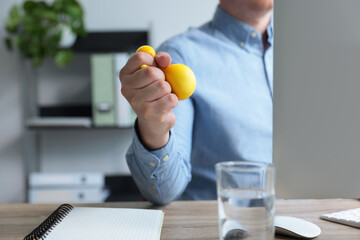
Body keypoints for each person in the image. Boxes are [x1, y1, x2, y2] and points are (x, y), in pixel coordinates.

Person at [119, 0, 273, 205]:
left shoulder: (312, 46)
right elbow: (163, 192)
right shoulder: (181, 55)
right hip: (224, 229)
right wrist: (154, 128)